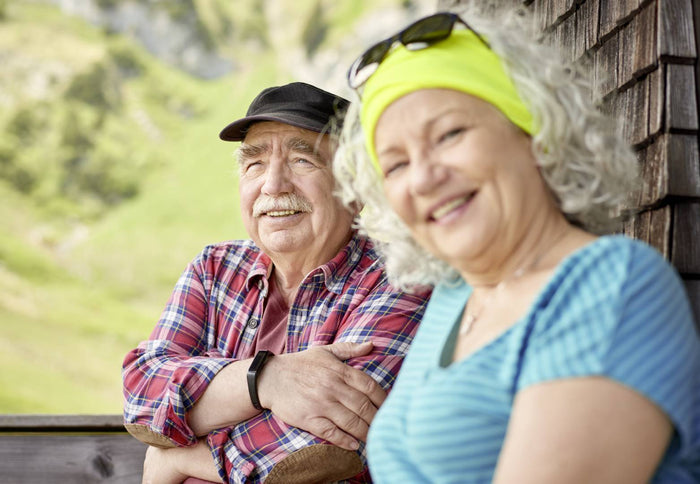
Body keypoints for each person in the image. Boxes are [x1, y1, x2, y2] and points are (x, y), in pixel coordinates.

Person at [333, 5, 700, 483]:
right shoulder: (454, 297)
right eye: (396, 165)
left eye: (449, 134)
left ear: (536, 133)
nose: (423, 178)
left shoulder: (610, 284)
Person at [122, 81, 430, 483]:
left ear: (356, 187)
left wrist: (177, 459)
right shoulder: (214, 268)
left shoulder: (399, 279)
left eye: (303, 160)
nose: (272, 185)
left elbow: (319, 449)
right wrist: (264, 381)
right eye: (255, 164)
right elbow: (142, 394)